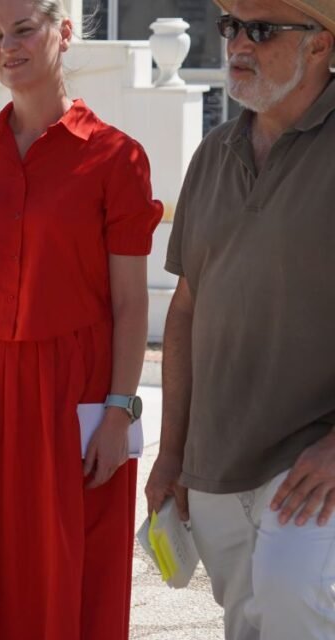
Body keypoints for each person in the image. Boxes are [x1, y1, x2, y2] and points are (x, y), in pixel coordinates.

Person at [0, 1, 163, 638]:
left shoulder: (116, 157)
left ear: (63, 32)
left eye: (22, 29)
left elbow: (130, 304)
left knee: (72, 571)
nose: (6, 47)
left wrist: (120, 409)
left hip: (77, 391)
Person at [145, 0, 335, 637]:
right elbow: (186, 312)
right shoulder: (214, 152)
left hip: (313, 463)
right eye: (231, 26)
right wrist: (171, 456)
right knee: (248, 626)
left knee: (294, 604)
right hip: (217, 464)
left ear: (319, 44)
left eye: (261, 29)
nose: (237, 44)